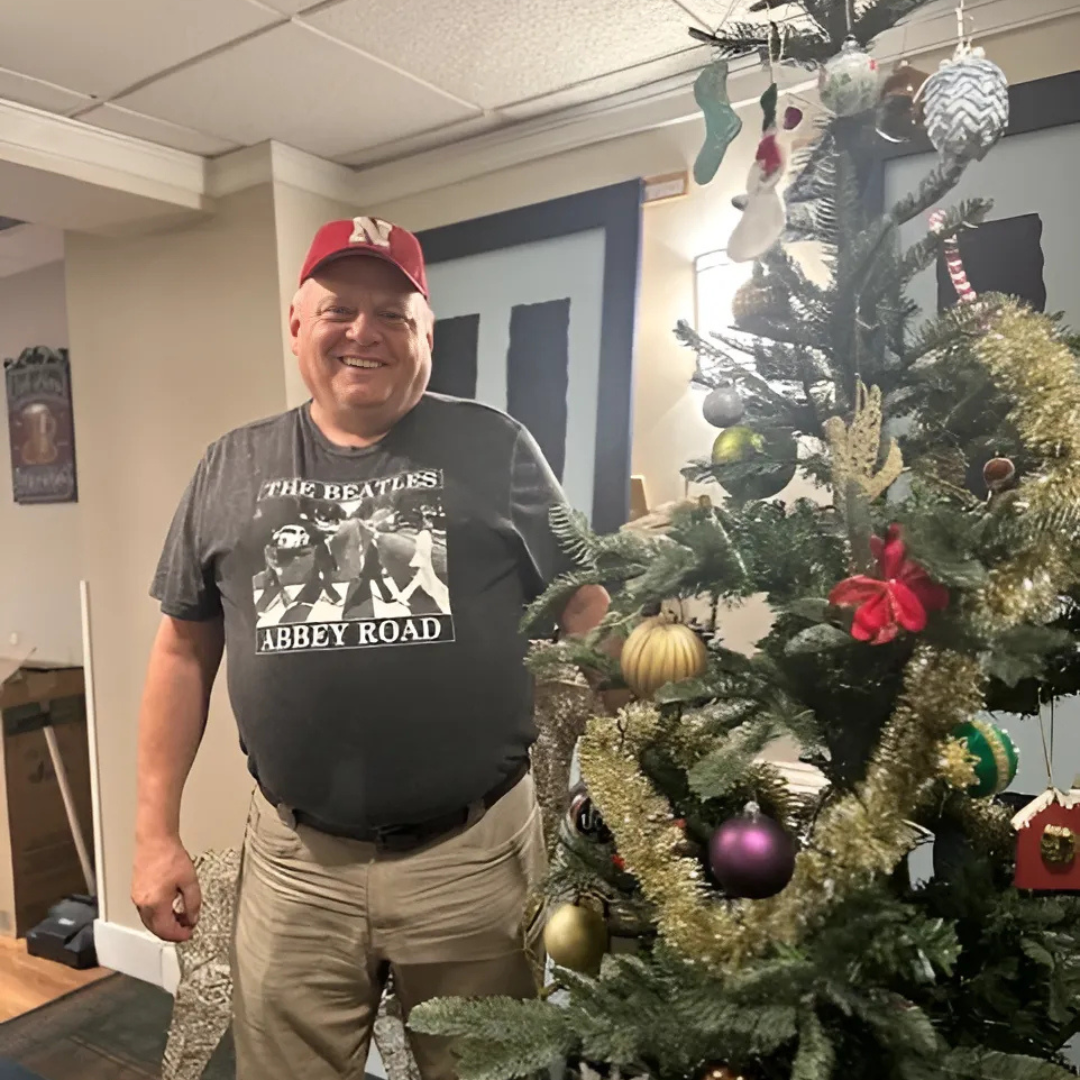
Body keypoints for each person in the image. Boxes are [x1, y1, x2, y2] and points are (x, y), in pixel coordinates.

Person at [131, 215, 610, 1080]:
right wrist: (153, 831)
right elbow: (181, 652)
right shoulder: (228, 467)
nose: (364, 332)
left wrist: (665, 749)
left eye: (393, 313)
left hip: (471, 860)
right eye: (339, 309)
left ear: (427, 334)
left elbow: (588, 610)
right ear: (295, 325)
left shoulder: (497, 446)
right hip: (294, 864)